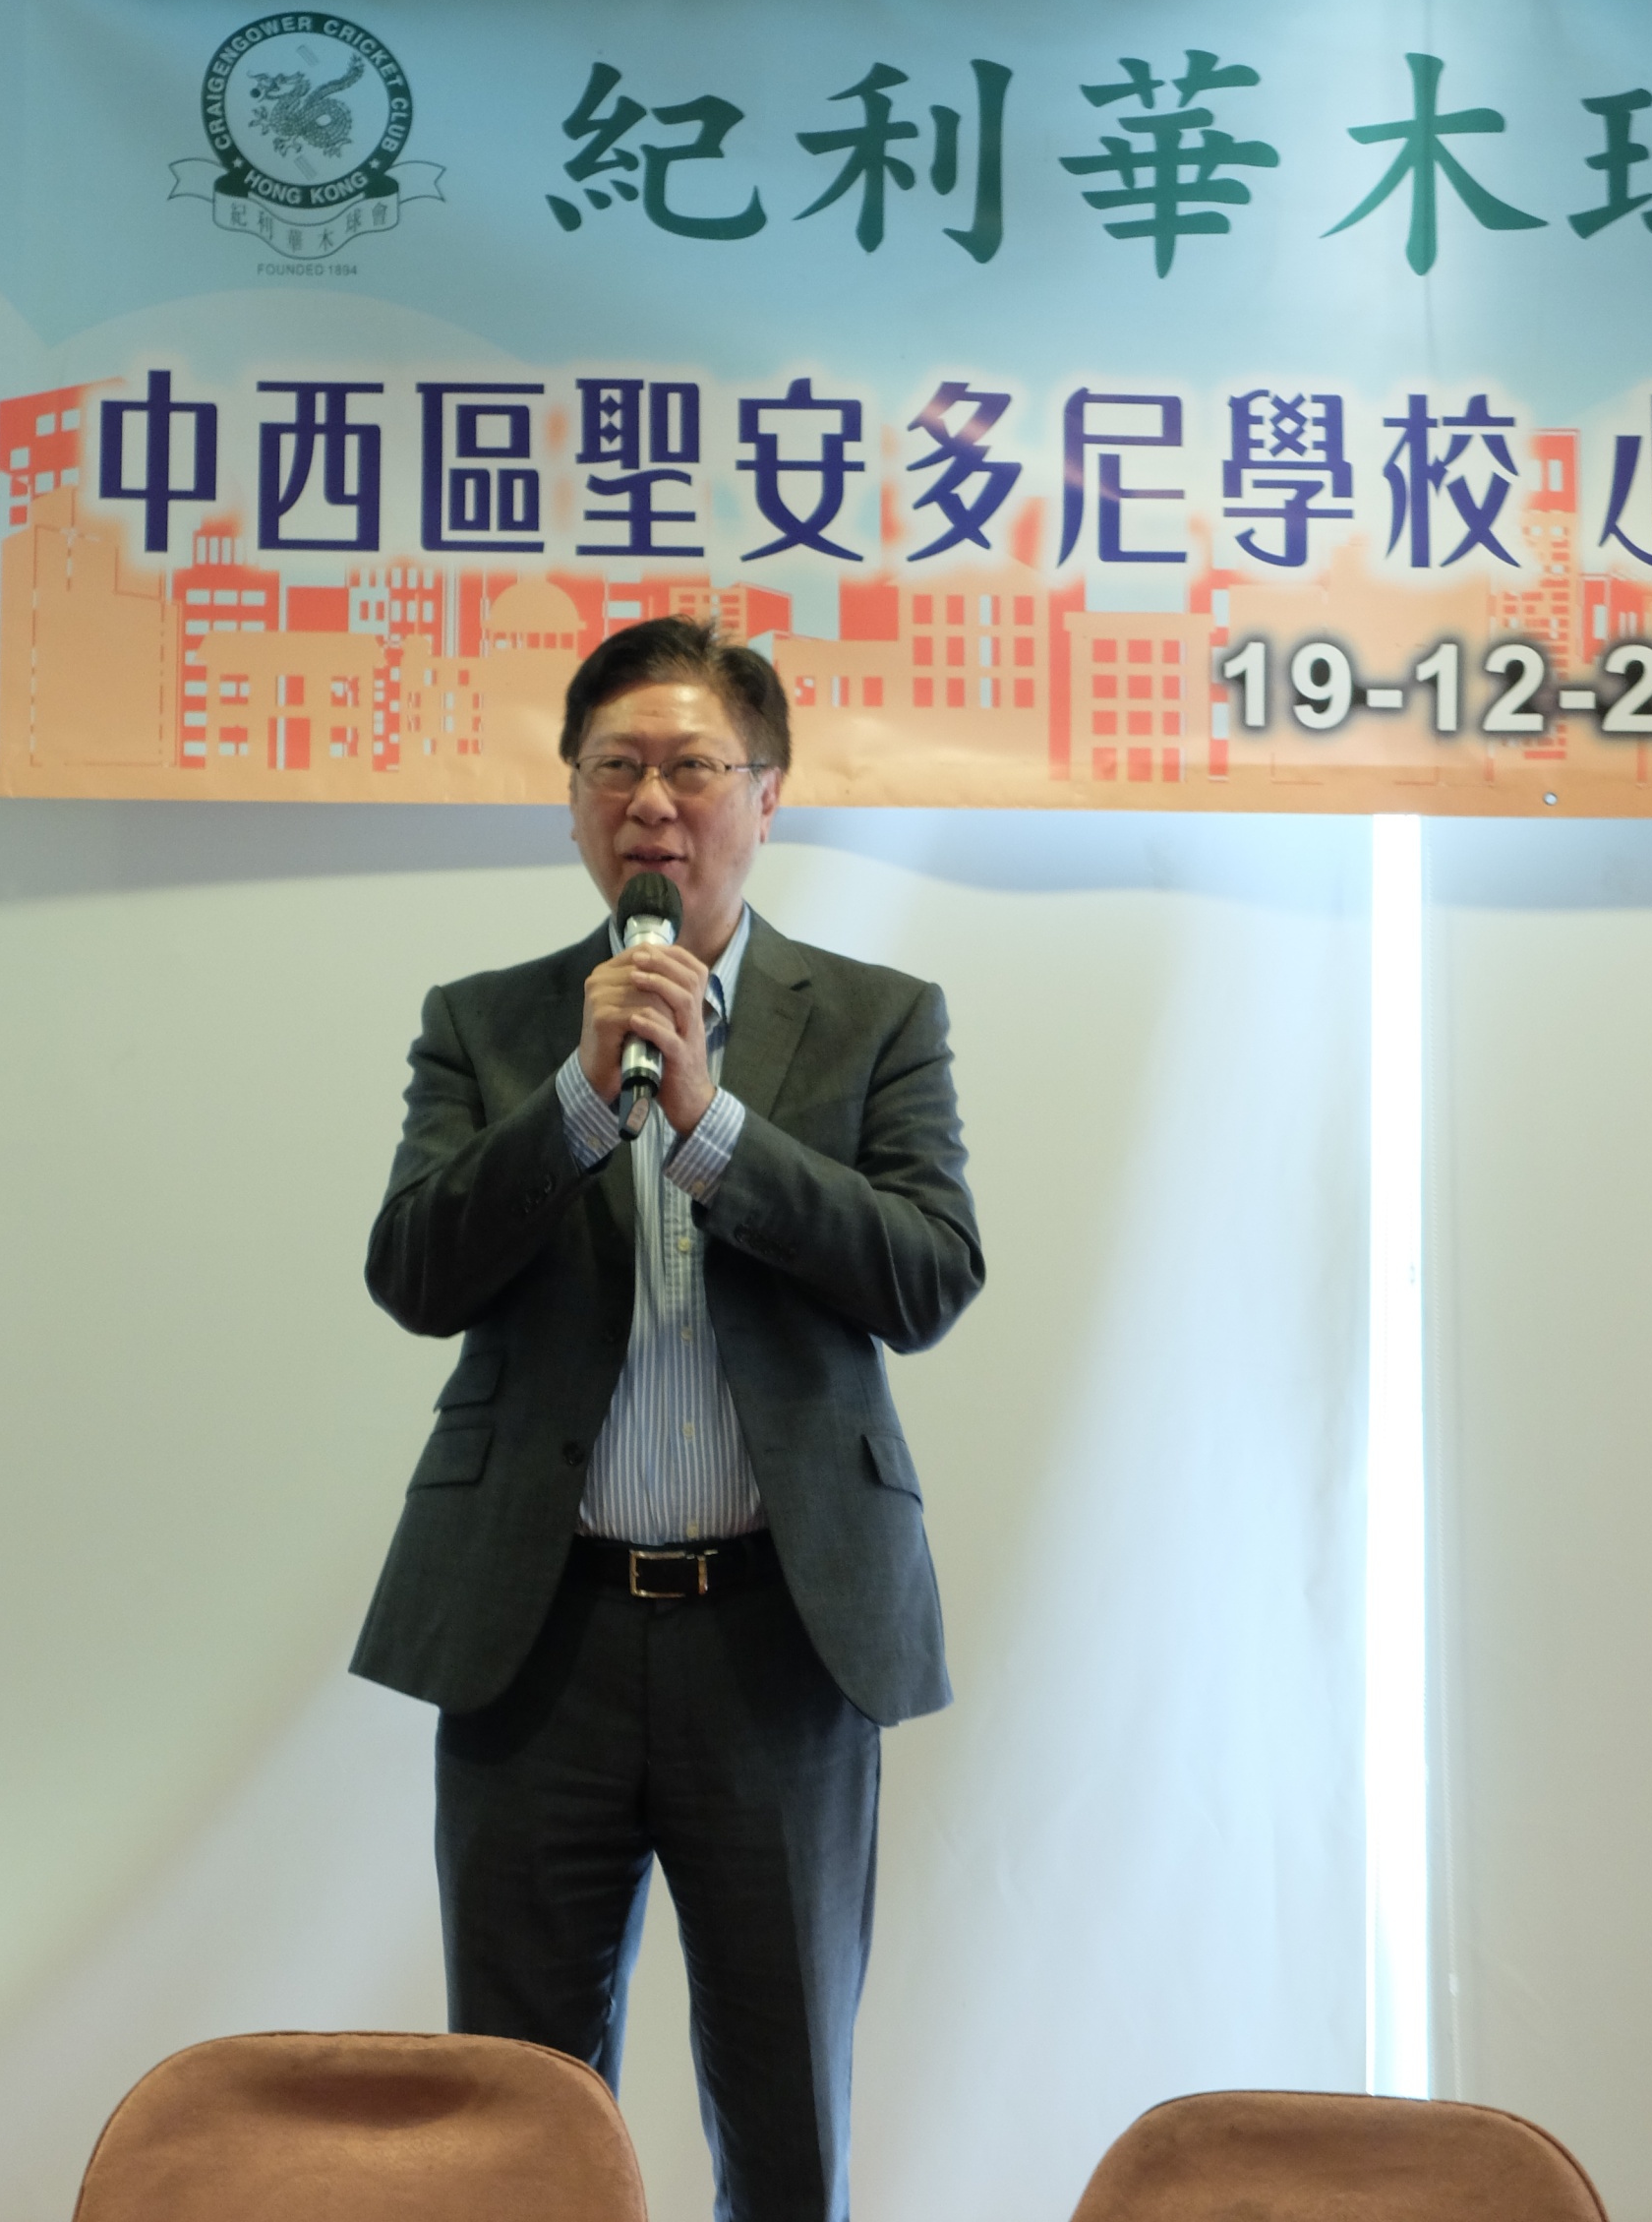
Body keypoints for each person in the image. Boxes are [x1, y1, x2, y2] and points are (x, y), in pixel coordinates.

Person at [355, 616, 982, 2222]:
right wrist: (580, 1100)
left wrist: (712, 1128)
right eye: (616, 767)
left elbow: (927, 1274)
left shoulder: (877, 1018)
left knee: (785, 2117)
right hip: (539, 1637)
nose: (652, 802)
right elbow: (415, 1272)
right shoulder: (486, 1024)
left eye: (692, 767)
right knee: (519, 2118)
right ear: (573, 801)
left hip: (780, 1639)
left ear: (765, 795)